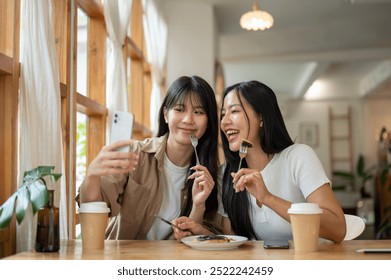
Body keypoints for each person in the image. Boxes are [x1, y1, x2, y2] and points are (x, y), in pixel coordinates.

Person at [173, 80, 346, 243]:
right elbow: (233, 240)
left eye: (234, 111)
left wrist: (268, 198)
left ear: (262, 117)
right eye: (223, 114)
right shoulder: (226, 173)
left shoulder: (298, 157)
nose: (224, 122)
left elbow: (338, 229)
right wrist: (201, 231)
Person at [77, 75, 221, 240]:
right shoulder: (136, 154)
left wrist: (198, 206)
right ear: (166, 114)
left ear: (208, 121)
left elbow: (199, 241)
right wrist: (92, 176)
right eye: (180, 109)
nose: (188, 119)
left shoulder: (211, 176)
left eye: (198, 112)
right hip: (123, 260)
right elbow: (95, 205)